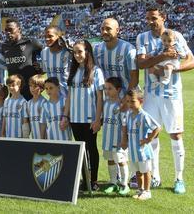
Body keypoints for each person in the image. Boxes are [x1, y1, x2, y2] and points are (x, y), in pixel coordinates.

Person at [136, 5, 194, 194]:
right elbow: (141, 63)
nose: (150, 22)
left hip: (172, 95)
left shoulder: (176, 35)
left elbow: (192, 61)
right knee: (152, 134)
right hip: (151, 96)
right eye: (148, 18)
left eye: (154, 18)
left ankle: (179, 178)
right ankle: (155, 176)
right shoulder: (142, 38)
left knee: (176, 135)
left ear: (163, 17)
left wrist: (171, 68)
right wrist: (162, 56)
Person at [61, 40, 104, 191]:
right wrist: (65, 116)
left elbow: (100, 97)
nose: (77, 55)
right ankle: (84, 180)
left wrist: (98, 119)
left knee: (91, 149)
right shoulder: (73, 72)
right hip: (75, 119)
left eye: (80, 51)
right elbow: (69, 97)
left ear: (88, 52)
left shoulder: (96, 71)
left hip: (90, 119)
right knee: (81, 150)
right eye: (75, 52)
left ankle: (94, 181)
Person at [121, 88, 160, 201]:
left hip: (143, 151)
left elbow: (157, 127)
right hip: (133, 150)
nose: (130, 104)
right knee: (137, 172)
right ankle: (140, 190)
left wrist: (148, 139)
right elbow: (126, 130)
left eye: (132, 101)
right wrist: (124, 140)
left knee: (145, 171)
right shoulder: (128, 115)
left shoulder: (144, 116)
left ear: (140, 101)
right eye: (127, 101)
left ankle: (147, 191)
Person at [1, 17, 43, 100]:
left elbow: (47, 54)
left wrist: (41, 66)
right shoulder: (4, 46)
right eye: (6, 30)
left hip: (31, 91)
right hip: (14, 91)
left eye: (10, 29)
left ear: (19, 29)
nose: (8, 33)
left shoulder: (31, 43)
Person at [101, 77, 130, 196]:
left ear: (118, 90)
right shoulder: (105, 103)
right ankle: (113, 182)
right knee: (110, 160)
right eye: (106, 88)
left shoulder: (121, 105)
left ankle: (124, 184)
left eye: (110, 88)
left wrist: (124, 139)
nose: (107, 91)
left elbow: (124, 124)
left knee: (121, 161)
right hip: (107, 139)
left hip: (117, 140)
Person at [93, 18, 138, 94]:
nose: (104, 32)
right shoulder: (97, 49)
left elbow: (134, 77)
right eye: (102, 29)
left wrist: (126, 99)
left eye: (108, 29)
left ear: (117, 30)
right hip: (106, 99)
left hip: (125, 97)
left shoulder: (128, 49)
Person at [40, 26, 71, 94]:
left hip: (68, 96)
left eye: (50, 36)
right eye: (45, 36)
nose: (47, 39)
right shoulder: (44, 53)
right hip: (53, 97)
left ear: (59, 37)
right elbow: (44, 71)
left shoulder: (68, 52)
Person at [26, 75, 47, 140]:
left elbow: (45, 123)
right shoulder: (28, 103)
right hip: (34, 138)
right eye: (30, 86)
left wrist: (42, 139)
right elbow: (28, 121)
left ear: (42, 88)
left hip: (45, 139)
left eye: (35, 86)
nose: (32, 88)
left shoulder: (44, 102)